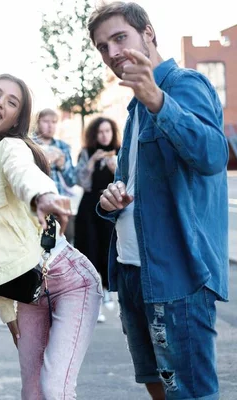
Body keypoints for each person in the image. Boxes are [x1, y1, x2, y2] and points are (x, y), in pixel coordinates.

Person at [89, 2, 229, 399]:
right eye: (103, 47)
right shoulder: (133, 107)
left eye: (120, 38)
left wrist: (158, 100)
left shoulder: (184, 85)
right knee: (156, 384)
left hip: (177, 275)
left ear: (148, 33)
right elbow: (127, 184)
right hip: (134, 271)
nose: (112, 52)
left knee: (190, 392)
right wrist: (109, 199)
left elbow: (213, 156)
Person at [0, 73, 101, 399]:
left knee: (55, 387)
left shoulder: (11, 148)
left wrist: (44, 197)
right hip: (27, 293)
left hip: (70, 281)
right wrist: (10, 318)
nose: (0, 102)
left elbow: (24, 174)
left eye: (12, 102)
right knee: (33, 392)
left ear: (16, 120)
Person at [74, 116, 121, 322]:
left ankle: (109, 291)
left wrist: (114, 169)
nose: (104, 135)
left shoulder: (121, 151)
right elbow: (81, 182)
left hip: (112, 207)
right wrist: (92, 162)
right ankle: (96, 300)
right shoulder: (86, 153)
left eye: (108, 131)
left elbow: (127, 180)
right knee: (90, 250)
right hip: (90, 207)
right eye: (100, 132)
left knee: (109, 250)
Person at [29, 108, 78, 244]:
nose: (50, 126)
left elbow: (72, 181)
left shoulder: (63, 147)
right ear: (37, 122)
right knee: (36, 249)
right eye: (46, 121)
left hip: (58, 206)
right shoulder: (29, 144)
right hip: (35, 206)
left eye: (54, 122)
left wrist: (63, 165)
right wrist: (45, 162)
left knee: (58, 247)